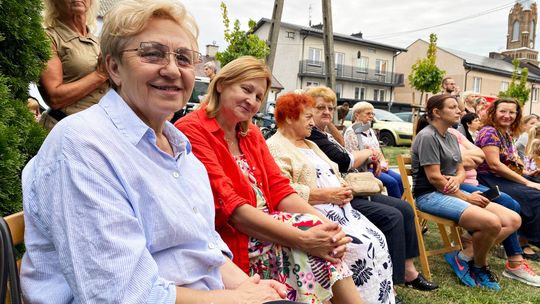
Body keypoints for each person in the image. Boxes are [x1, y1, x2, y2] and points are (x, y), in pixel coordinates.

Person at [20, 1, 291, 303]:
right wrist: (240, 299)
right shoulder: (84, 144)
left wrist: (252, 290)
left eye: (185, 59)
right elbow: (120, 295)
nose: (172, 70)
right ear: (113, 67)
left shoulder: (181, 153)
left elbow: (204, 249)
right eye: (152, 53)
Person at [176, 56, 362, 304]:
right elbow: (231, 210)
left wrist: (329, 227)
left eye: (258, 96)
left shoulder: (250, 132)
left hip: (269, 227)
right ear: (221, 84)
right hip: (234, 237)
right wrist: (303, 237)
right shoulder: (192, 129)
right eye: (246, 89)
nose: (251, 100)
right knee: (318, 246)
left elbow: (280, 189)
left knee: (331, 239)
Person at [304, 86, 437, 293]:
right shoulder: (312, 136)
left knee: (405, 208)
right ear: (305, 110)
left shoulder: (323, 134)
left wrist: (368, 153)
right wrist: (368, 152)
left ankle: (409, 271)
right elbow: (345, 159)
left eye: (331, 108)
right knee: (392, 215)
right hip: (338, 197)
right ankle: (391, 285)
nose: (327, 112)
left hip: (348, 190)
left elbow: (344, 153)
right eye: (320, 107)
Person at [267, 92, 395, 304]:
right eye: (307, 118)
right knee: (359, 247)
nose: (312, 123)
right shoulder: (275, 146)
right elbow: (282, 190)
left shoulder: (310, 143)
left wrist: (342, 185)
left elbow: (333, 170)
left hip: (342, 209)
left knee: (378, 238)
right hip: (315, 212)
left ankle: (382, 298)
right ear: (290, 118)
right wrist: (326, 194)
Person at [412, 94, 520, 291]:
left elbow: (460, 168)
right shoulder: (427, 136)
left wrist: (459, 179)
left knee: (513, 219)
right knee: (492, 222)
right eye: (453, 107)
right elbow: (435, 179)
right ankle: (480, 266)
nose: (460, 111)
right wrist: (466, 197)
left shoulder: (451, 135)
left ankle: (463, 257)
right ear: (437, 112)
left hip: (451, 191)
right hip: (430, 195)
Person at [447, 127, 540, 287]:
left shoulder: (456, 135)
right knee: (512, 202)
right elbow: (489, 163)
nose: (458, 112)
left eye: (513, 112)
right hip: (463, 184)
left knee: (517, 202)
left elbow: (478, 157)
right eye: (453, 107)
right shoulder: (436, 135)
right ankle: (514, 259)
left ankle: (470, 244)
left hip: (473, 182)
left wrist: (461, 161)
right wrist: (462, 162)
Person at [475, 98, 540, 261]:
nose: (507, 115)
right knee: (534, 194)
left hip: (502, 178)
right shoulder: (489, 132)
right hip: (487, 180)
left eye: (512, 112)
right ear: (493, 112)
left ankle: (528, 238)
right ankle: (524, 242)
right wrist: (526, 181)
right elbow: (494, 165)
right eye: (503, 111)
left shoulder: (506, 133)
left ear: (517, 115)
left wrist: (527, 173)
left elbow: (509, 162)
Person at [38, 0, 110, 130]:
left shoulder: (99, 41)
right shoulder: (47, 38)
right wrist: (100, 75)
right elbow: (54, 98)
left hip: (98, 131)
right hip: (62, 129)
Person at [344, 101, 404, 198]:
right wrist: (374, 161)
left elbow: (378, 150)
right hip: (363, 169)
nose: (371, 116)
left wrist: (383, 163)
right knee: (392, 182)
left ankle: (405, 206)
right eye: (368, 113)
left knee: (400, 179)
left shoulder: (370, 130)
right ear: (357, 115)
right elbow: (354, 156)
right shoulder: (352, 132)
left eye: (372, 114)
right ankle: (397, 208)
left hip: (376, 165)